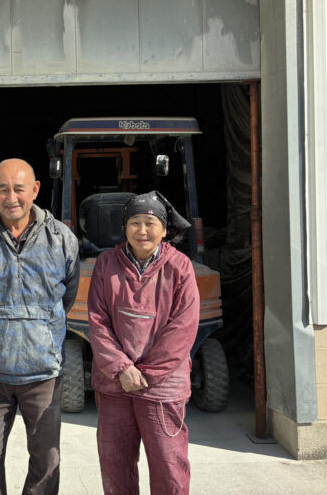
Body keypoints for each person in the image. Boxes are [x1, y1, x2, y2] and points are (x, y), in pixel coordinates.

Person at [0, 158, 80, 495]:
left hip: (43, 372)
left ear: (34, 190)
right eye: (3, 189)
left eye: (19, 189)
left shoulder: (61, 239)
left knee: (46, 458)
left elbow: (67, 296)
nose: (12, 198)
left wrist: (40, 331)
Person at [87, 191, 200, 495]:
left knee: (169, 467)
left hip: (162, 386)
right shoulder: (106, 263)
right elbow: (97, 321)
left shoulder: (180, 266)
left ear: (164, 230)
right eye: (135, 222)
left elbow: (183, 328)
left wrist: (146, 374)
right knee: (115, 465)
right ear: (124, 228)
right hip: (115, 383)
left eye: (150, 223)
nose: (142, 230)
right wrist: (122, 368)